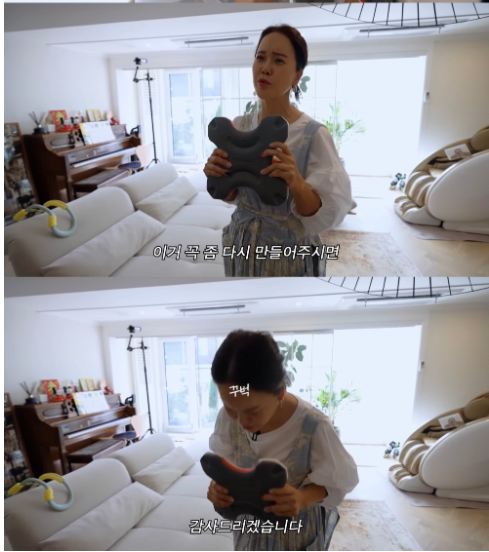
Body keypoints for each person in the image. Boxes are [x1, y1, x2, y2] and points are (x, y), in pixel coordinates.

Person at [203, 24, 353, 277]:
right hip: (241, 242)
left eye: (279, 60)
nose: (265, 67)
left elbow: (323, 216)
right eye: (260, 57)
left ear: (296, 76)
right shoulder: (239, 125)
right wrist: (218, 174)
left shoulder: (313, 134)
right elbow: (235, 196)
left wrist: (296, 181)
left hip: (289, 253)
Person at [207, 330, 359, 551]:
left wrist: (302, 498)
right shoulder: (226, 418)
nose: (241, 421)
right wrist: (219, 488)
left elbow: (340, 480)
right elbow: (227, 466)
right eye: (230, 407)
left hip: (296, 536)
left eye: (253, 411)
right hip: (249, 532)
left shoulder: (314, 426)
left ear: (280, 390)